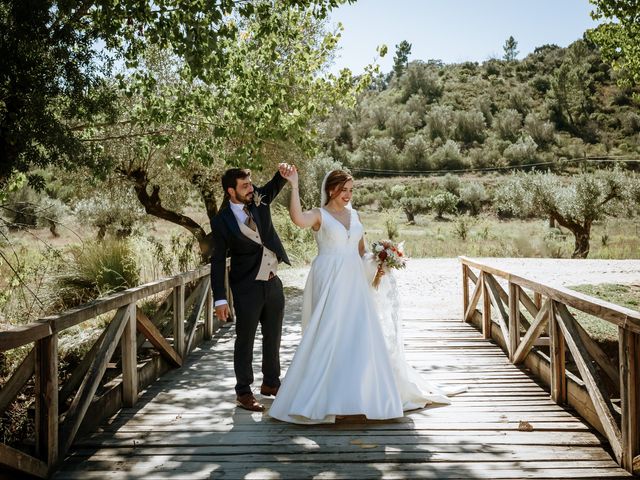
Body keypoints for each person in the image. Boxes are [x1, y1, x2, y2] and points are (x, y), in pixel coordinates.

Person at [268, 168, 454, 424]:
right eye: (343, 189)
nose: (348, 194)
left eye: (351, 190)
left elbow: (361, 252)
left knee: (357, 335)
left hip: (354, 283)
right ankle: (323, 398)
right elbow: (298, 219)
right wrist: (294, 185)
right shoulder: (320, 215)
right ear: (331, 189)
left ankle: (360, 398)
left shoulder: (355, 216)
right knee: (328, 334)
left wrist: (381, 261)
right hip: (329, 279)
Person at [210, 164, 295, 412]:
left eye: (250, 183)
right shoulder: (222, 221)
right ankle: (244, 392)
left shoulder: (258, 199)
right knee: (245, 340)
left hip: (272, 281)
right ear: (230, 191)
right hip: (246, 286)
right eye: (245, 185)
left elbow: (273, 186)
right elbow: (217, 262)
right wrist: (220, 299)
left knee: (274, 336)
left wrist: (283, 173)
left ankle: (271, 383)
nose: (251, 188)